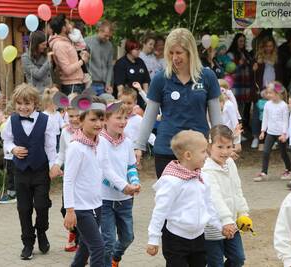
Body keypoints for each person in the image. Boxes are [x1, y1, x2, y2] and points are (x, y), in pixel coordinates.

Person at [135, 28, 221, 178]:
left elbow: (216, 118)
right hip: (167, 151)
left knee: (199, 199)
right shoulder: (160, 79)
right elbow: (149, 116)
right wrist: (139, 146)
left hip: (198, 152)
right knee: (169, 200)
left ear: (190, 52)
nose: (175, 58)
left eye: (179, 53)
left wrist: (220, 144)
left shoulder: (207, 76)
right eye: (171, 53)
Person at [63, 95, 137, 267]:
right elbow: (68, 180)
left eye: (101, 119)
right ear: (81, 120)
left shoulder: (100, 143)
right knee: (98, 247)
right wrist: (70, 210)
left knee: (85, 249)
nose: (98, 123)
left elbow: (106, 169)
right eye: (93, 119)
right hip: (81, 208)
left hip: (96, 204)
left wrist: (124, 186)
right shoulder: (76, 147)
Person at [146, 130, 221, 266]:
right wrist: (153, 239)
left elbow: (208, 204)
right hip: (176, 239)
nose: (207, 155)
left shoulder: (203, 177)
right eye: (203, 152)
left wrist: (220, 226)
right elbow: (159, 211)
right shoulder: (171, 181)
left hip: (198, 237)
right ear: (188, 155)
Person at [2, 83, 57, 260]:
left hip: (40, 170)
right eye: (19, 103)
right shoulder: (11, 120)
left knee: (41, 205)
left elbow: (50, 146)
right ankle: (27, 242)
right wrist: (13, 149)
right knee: (23, 208)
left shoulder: (46, 120)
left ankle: (41, 231)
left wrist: (53, 166)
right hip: (21, 171)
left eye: (27, 103)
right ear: (14, 103)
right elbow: (7, 141)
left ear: (35, 103)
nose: (23, 107)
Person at [100, 103, 141, 267]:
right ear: (106, 120)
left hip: (125, 199)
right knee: (108, 240)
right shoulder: (100, 141)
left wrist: (135, 182)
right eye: (118, 117)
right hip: (104, 199)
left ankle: (114, 258)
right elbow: (105, 172)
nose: (123, 121)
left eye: (125, 118)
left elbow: (131, 166)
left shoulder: (127, 142)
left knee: (128, 237)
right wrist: (124, 186)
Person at [203, 125, 249, 267]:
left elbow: (237, 190)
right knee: (216, 263)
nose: (225, 151)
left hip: (232, 224)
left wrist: (243, 213)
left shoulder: (230, 164)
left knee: (238, 259)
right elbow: (215, 198)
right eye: (220, 147)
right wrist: (226, 220)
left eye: (229, 147)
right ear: (210, 147)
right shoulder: (206, 169)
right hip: (213, 227)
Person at [51, 105, 81, 252]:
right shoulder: (65, 132)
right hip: (69, 179)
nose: (75, 119)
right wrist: (56, 165)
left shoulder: (91, 133)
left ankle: (83, 244)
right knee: (65, 210)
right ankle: (74, 233)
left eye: (78, 116)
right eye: (71, 116)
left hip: (84, 180)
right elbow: (62, 153)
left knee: (83, 212)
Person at [254, 81, 291, 182]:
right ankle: (264, 172)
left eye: (270, 93)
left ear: (277, 93)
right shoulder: (267, 105)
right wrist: (263, 131)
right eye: (267, 93)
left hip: (281, 134)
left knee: (283, 153)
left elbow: (285, 121)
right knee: (266, 152)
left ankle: (289, 170)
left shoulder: (283, 105)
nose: (268, 95)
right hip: (270, 133)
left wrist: (284, 134)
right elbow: (265, 118)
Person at [49, 14, 89, 95]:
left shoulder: (67, 41)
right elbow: (67, 70)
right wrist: (82, 61)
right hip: (71, 86)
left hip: (77, 83)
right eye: (68, 24)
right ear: (63, 28)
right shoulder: (59, 45)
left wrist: (82, 54)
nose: (70, 26)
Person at [227, 33, 254, 133]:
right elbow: (228, 70)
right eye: (240, 41)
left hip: (245, 86)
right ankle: (233, 132)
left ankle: (239, 132)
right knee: (234, 110)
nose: (242, 43)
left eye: (244, 41)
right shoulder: (230, 54)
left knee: (241, 110)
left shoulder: (246, 53)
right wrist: (239, 64)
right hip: (235, 86)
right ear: (236, 42)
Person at [114, 39, 151, 109]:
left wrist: (146, 96)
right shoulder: (121, 63)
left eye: (139, 49)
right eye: (136, 50)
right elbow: (120, 84)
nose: (139, 51)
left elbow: (146, 80)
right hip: (128, 98)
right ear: (129, 49)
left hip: (141, 96)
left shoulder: (140, 62)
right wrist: (122, 100)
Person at [85, 20, 115, 96]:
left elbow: (110, 66)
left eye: (109, 36)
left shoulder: (109, 45)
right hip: (90, 84)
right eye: (106, 35)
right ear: (99, 31)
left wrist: (108, 83)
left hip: (103, 85)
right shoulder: (86, 42)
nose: (108, 38)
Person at [0, 103, 17, 204]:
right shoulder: (15, 121)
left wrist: (2, 124)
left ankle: (12, 193)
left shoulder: (8, 122)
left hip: (10, 155)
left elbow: (3, 135)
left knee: (11, 175)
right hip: (11, 154)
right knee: (13, 174)